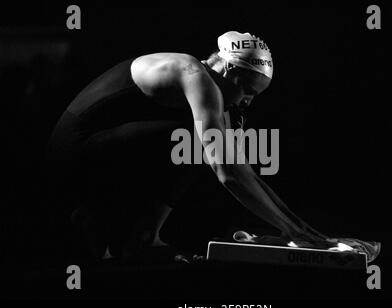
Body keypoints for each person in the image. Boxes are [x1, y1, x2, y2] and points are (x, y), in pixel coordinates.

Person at [46, 31, 330, 262]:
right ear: (229, 69)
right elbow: (228, 172)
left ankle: (134, 235)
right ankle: (130, 234)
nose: (247, 103)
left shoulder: (215, 92)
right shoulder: (193, 75)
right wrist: (290, 229)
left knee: (204, 142)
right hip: (74, 146)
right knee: (195, 142)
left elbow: (244, 170)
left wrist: (299, 227)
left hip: (105, 143)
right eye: (248, 91)